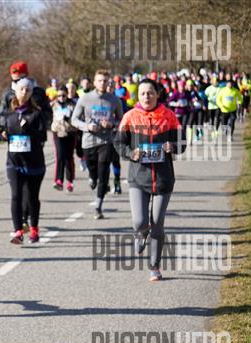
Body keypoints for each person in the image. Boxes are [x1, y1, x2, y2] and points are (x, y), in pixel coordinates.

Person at [114, 78, 185, 281]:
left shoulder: (169, 116)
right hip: (138, 178)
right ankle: (141, 233)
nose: (147, 96)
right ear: (138, 96)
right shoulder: (130, 117)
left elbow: (182, 142)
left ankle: (154, 266)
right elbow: (118, 143)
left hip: (163, 179)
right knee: (140, 222)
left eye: (151, 92)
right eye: (143, 93)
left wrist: (173, 146)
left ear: (157, 94)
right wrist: (131, 153)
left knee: (157, 223)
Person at [0, 78, 47, 244]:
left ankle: (34, 229)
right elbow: (4, 131)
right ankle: (18, 231)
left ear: (31, 93)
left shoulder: (36, 113)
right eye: (22, 89)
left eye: (28, 90)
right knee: (16, 196)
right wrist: (3, 135)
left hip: (34, 163)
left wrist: (29, 130)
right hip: (14, 162)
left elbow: (43, 137)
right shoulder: (9, 114)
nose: (24, 92)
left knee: (32, 198)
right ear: (16, 91)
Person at [71, 69, 123, 219]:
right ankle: (92, 177)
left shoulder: (114, 100)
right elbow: (74, 120)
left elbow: (122, 121)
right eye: (100, 80)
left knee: (103, 173)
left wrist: (112, 124)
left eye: (105, 81)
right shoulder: (85, 99)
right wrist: (87, 126)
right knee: (93, 171)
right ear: (94, 82)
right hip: (88, 141)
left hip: (106, 141)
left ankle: (98, 207)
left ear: (109, 83)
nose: (102, 83)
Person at [51, 86, 77, 192]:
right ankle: (58, 180)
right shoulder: (53, 105)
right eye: (59, 96)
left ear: (67, 95)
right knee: (60, 156)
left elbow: (78, 118)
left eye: (63, 95)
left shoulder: (73, 105)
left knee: (69, 157)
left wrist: (69, 119)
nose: (61, 98)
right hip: (57, 132)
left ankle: (70, 181)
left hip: (70, 133)